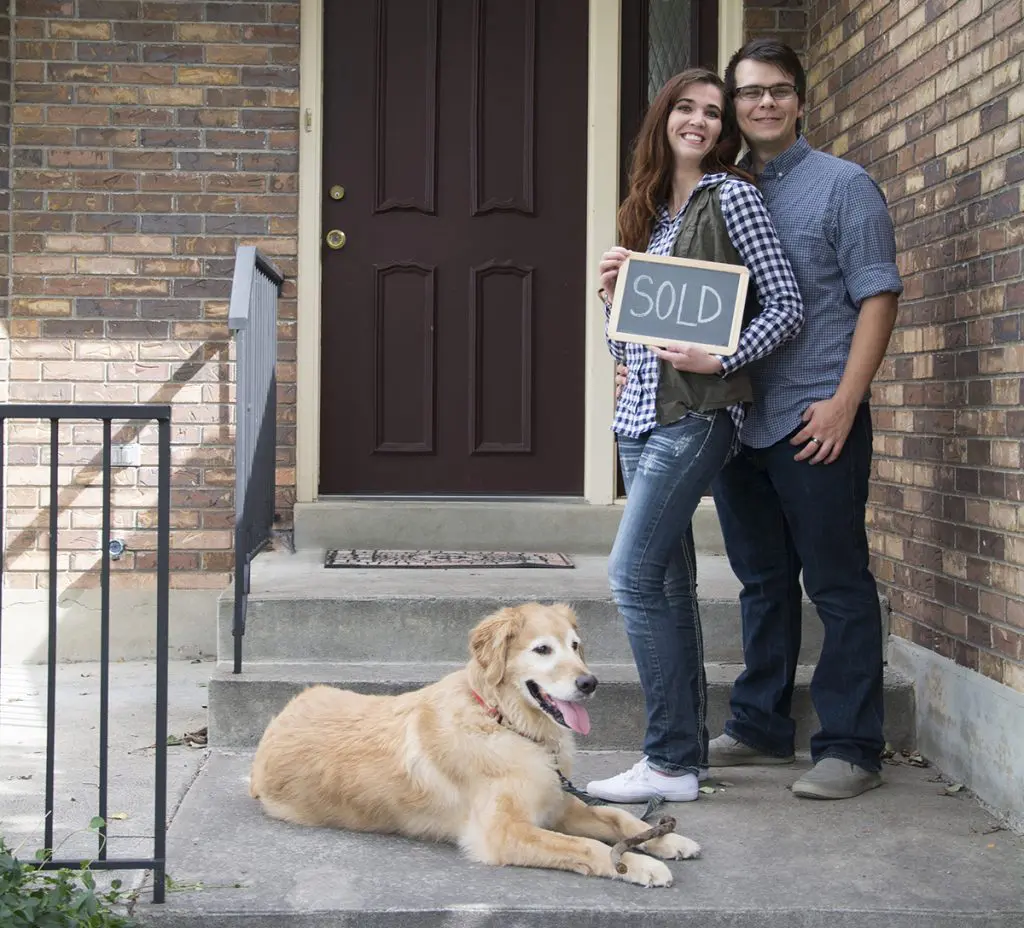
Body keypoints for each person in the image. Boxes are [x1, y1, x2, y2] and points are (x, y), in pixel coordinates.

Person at [583, 68, 803, 805]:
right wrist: (610, 297)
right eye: (686, 107)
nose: (700, 121)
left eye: (713, 112)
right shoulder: (644, 212)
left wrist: (724, 357)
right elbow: (630, 345)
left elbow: (785, 305)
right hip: (638, 418)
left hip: (699, 414)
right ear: (664, 118)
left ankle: (669, 757)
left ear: (722, 130)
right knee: (669, 588)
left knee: (631, 576)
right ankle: (680, 762)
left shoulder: (732, 196)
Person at [704, 38, 903, 799]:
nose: (765, 103)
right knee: (761, 581)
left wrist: (847, 402)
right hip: (739, 418)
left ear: (800, 101)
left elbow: (877, 296)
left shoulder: (844, 185)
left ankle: (851, 747)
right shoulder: (720, 189)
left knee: (837, 582)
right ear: (734, 104)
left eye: (779, 90)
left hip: (818, 414)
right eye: (750, 92)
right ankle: (760, 727)